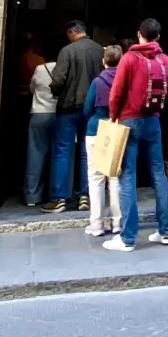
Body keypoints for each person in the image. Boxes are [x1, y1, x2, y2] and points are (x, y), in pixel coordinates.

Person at [103, 19, 168, 251]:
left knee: (127, 176)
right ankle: (166, 231)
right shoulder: (164, 59)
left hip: (129, 120)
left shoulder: (130, 58)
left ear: (139, 35)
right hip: (153, 121)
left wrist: (114, 116)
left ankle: (127, 238)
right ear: (158, 36)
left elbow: (117, 91)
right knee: (158, 173)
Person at [45, 20, 103, 214]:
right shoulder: (99, 50)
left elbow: (58, 80)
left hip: (69, 107)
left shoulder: (67, 51)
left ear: (72, 32)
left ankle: (59, 198)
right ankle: (86, 196)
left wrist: (55, 90)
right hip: (93, 108)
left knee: (62, 151)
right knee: (88, 152)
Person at [83, 46, 123, 238]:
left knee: (96, 178)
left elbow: (86, 109)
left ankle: (96, 224)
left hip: (96, 129)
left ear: (104, 61)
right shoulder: (125, 80)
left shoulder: (97, 82)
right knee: (115, 177)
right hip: (116, 127)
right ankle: (117, 222)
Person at [22, 55, 59, 206]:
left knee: (35, 154)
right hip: (58, 113)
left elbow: (32, 88)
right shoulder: (63, 67)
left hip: (39, 112)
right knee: (59, 155)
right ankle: (57, 195)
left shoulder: (39, 68)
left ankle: (32, 196)